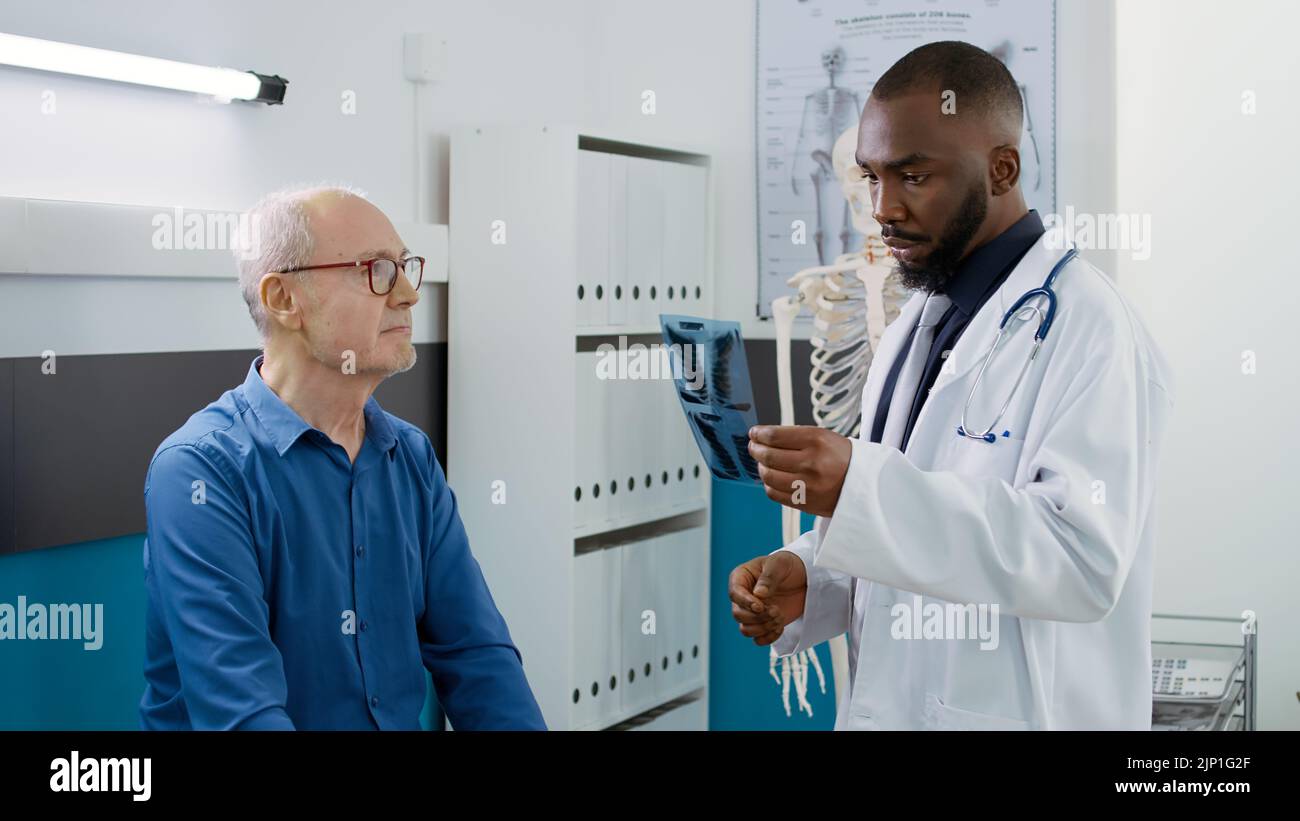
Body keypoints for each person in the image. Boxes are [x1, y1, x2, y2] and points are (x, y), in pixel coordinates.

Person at [731, 41, 1174, 730]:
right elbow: (907, 529)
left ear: (1002, 168)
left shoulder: (1093, 330)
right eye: (871, 177)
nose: (884, 207)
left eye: (913, 176)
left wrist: (859, 486)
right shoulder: (922, 322)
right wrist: (810, 579)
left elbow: (1081, 559)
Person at [140, 185, 546, 730]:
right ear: (284, 299)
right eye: (376, 270)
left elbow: (478, 656)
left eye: (405, 267)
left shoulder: (410, 457)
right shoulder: (201, 472)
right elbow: (245, 715)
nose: (407, 293)